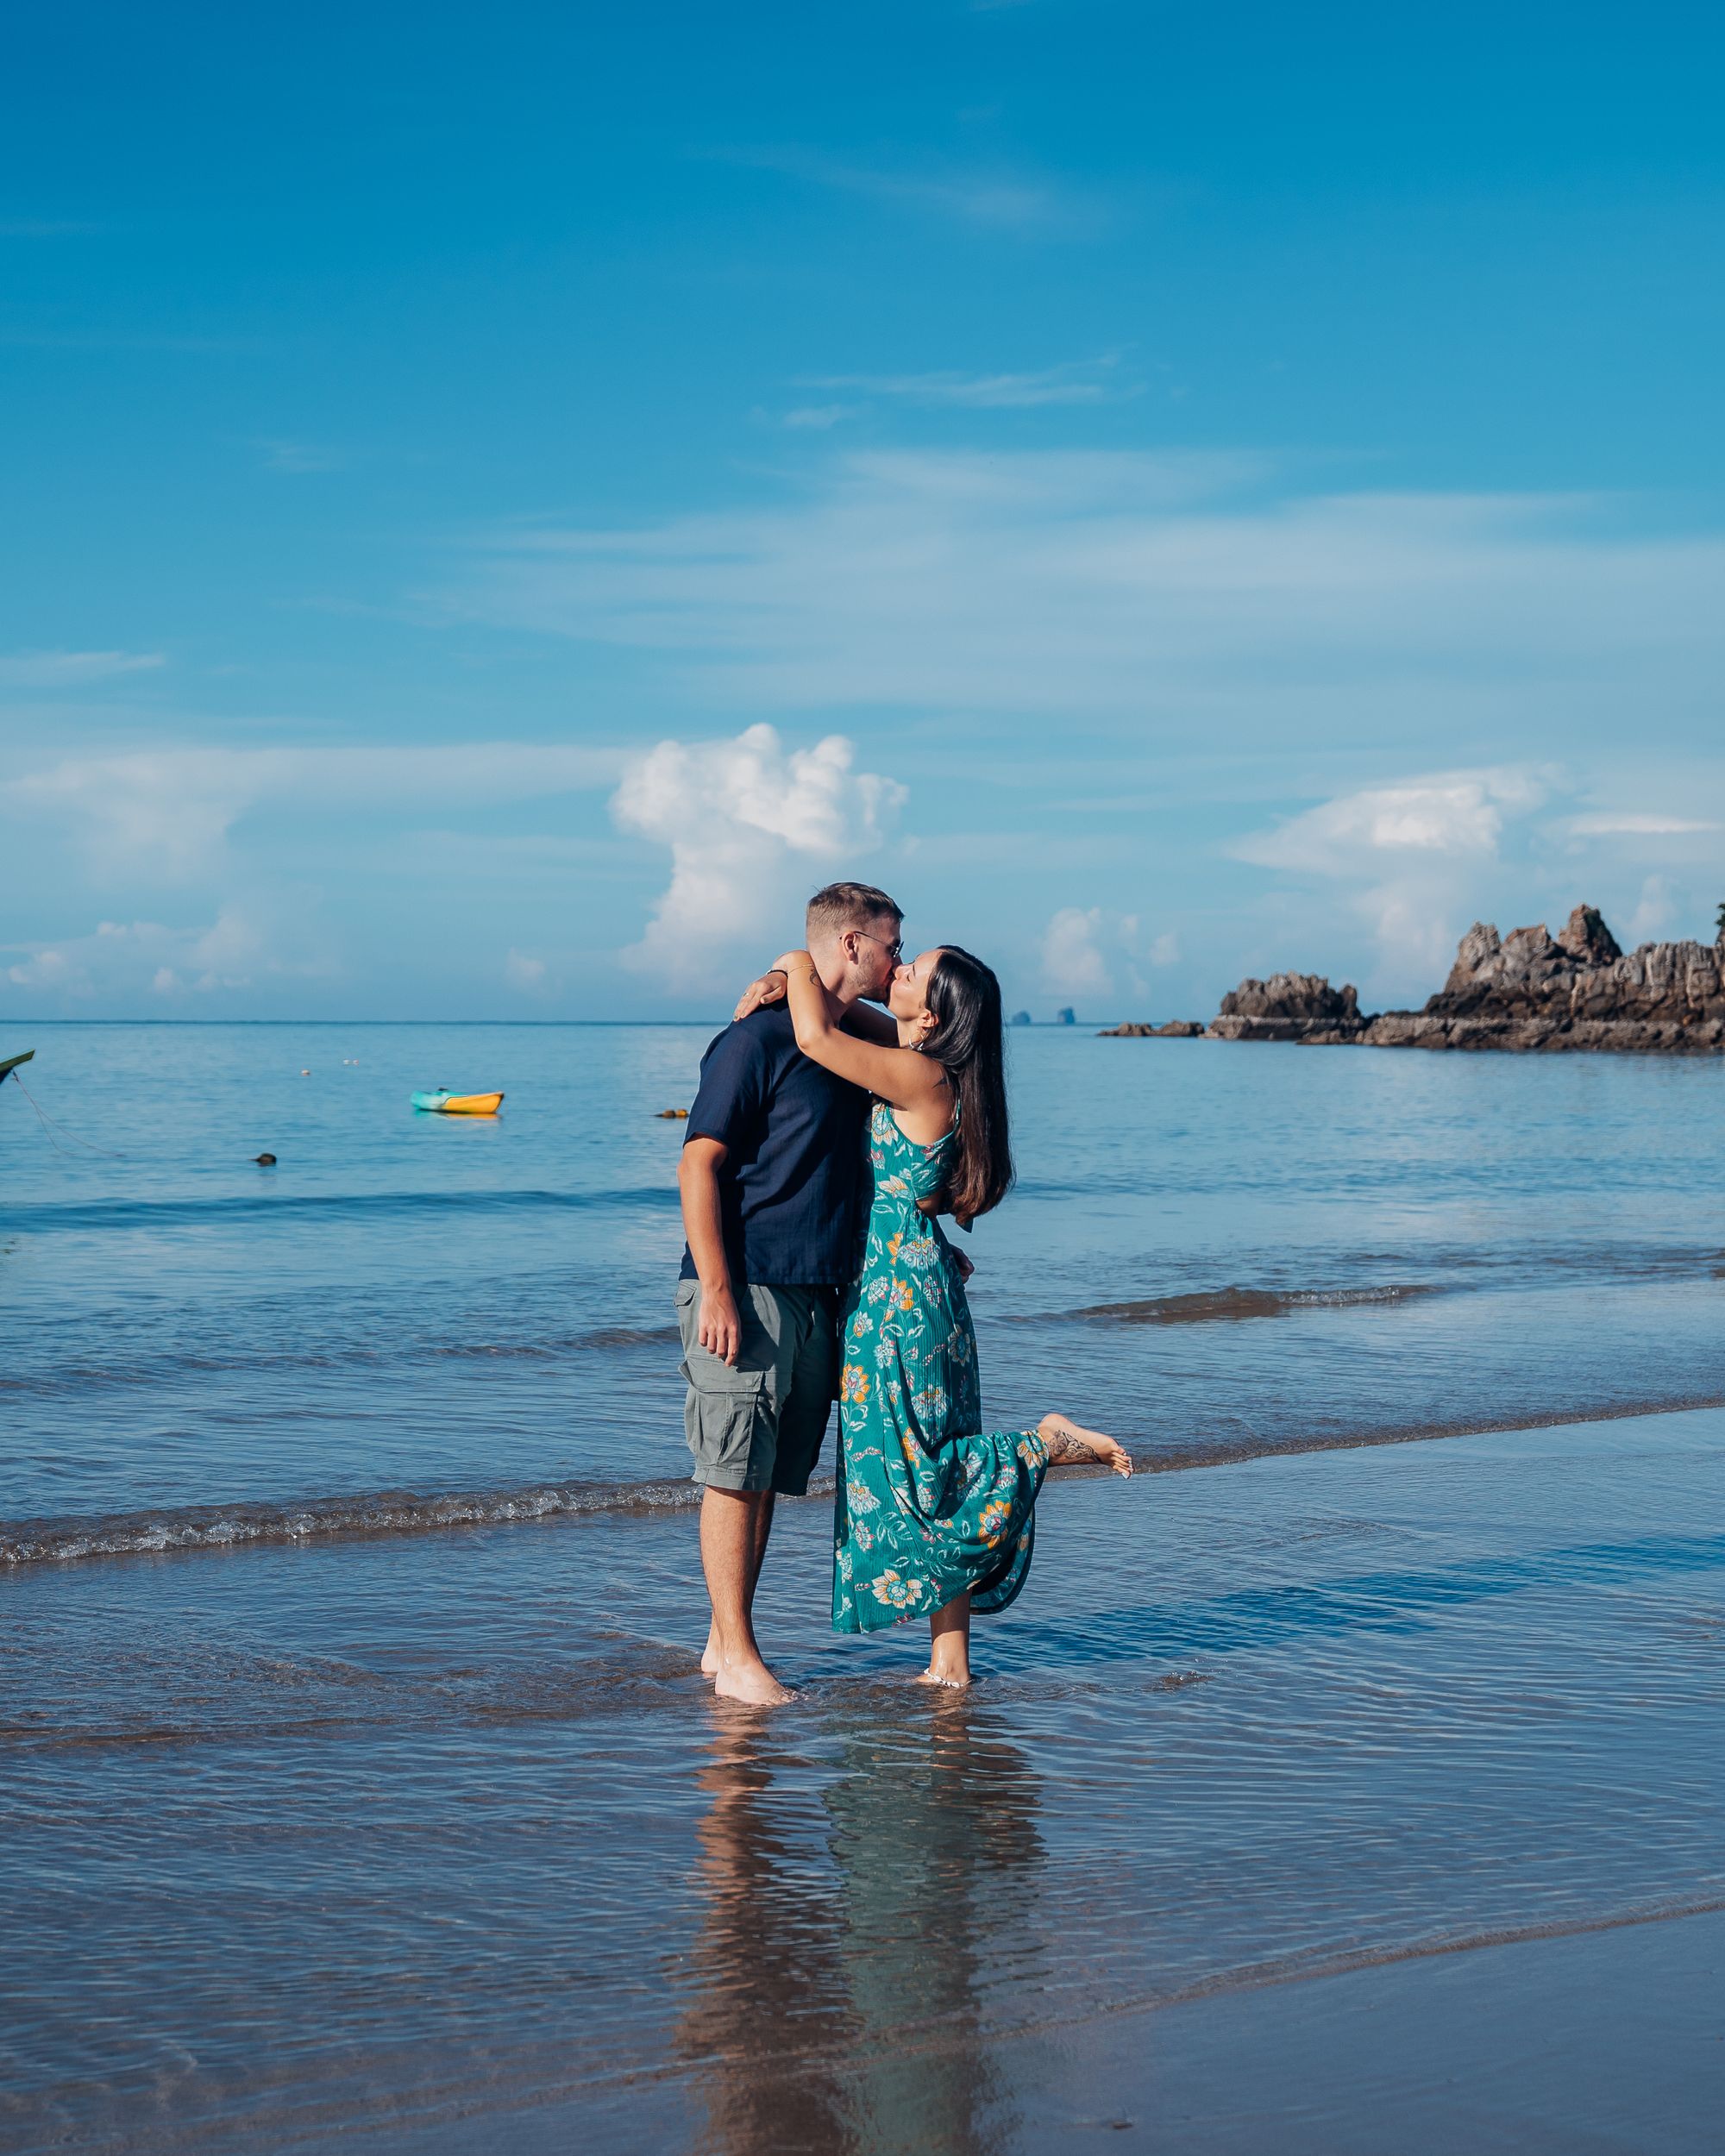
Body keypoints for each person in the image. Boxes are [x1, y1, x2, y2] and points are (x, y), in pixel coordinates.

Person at [761, 939, 1131, 1689]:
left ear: (932, 1015)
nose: (895, 972)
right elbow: (854, 1022)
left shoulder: (919, 1075)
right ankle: (949, 1662)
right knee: (935, 1473)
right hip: (918, 1291)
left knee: (918, 1474)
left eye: (914, 973)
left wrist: (795, 959)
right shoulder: (924, 1068)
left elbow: (814, 1034)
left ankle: (1042, 1446)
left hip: (897, 1306)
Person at [676, 881, 906, 1705]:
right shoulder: (759, 1038)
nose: (898, 961)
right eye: (890, 945)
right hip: (750, 1282)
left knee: (767, 1471)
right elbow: (698, 1162)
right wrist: (717, 1290)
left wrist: (789, 967)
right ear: (850, 945)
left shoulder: (844, 1041)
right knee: (733, 1468)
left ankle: (721, 1642)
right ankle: (739, 1656)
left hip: (819, 1289)